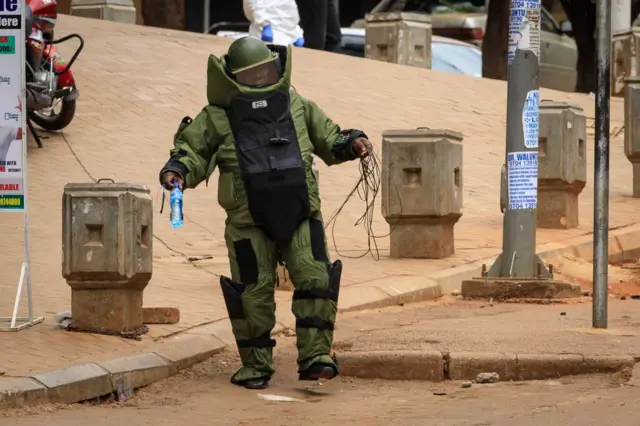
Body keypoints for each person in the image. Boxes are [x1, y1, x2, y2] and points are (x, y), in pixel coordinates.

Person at [158, 36, 372, 390]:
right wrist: (176, 172)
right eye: (251, 73)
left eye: (264, 70)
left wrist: (353, 143)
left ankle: (317, 356)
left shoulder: (296, 104)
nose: (259, 77)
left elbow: (329, 137)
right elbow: (191, 150)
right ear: (231, 77)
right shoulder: (217, 116)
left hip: (302, 213)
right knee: (252, 293)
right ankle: (256, 365)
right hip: (246, 221)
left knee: (315, 277)